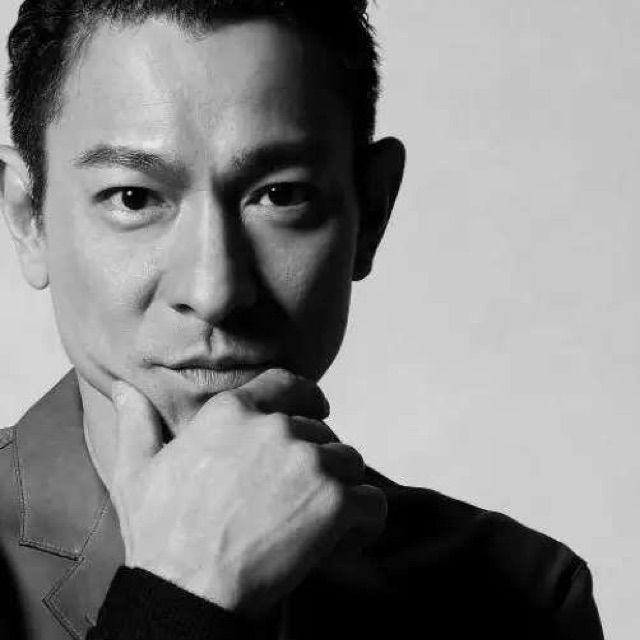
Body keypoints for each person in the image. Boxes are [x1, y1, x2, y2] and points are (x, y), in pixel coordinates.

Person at [0, 1, 604, 638]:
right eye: (134, 198)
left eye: (280, 195)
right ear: (27, 218)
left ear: (371, 213)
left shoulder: (520, 597)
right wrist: (176, 598)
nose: (214, 291)